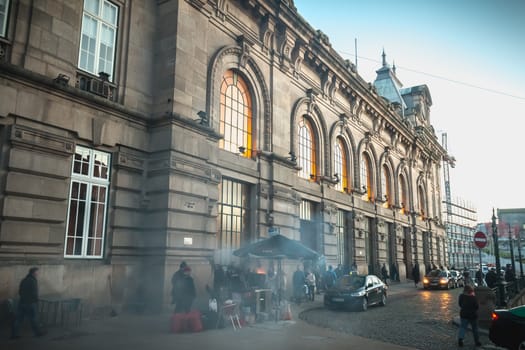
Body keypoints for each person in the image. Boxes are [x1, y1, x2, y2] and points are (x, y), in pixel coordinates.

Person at [11, 267, 45, 339]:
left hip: (22, 302)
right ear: (33, 273)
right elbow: (34, 293)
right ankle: (38, 332)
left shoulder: (24, 280)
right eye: (37, 272)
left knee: (19, 319)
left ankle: (14, 334)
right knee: (33, 318)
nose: (38, 274)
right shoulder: (33, 280)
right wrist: (36, 300)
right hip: (31, 303)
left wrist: (24, 298)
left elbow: (20, 291)